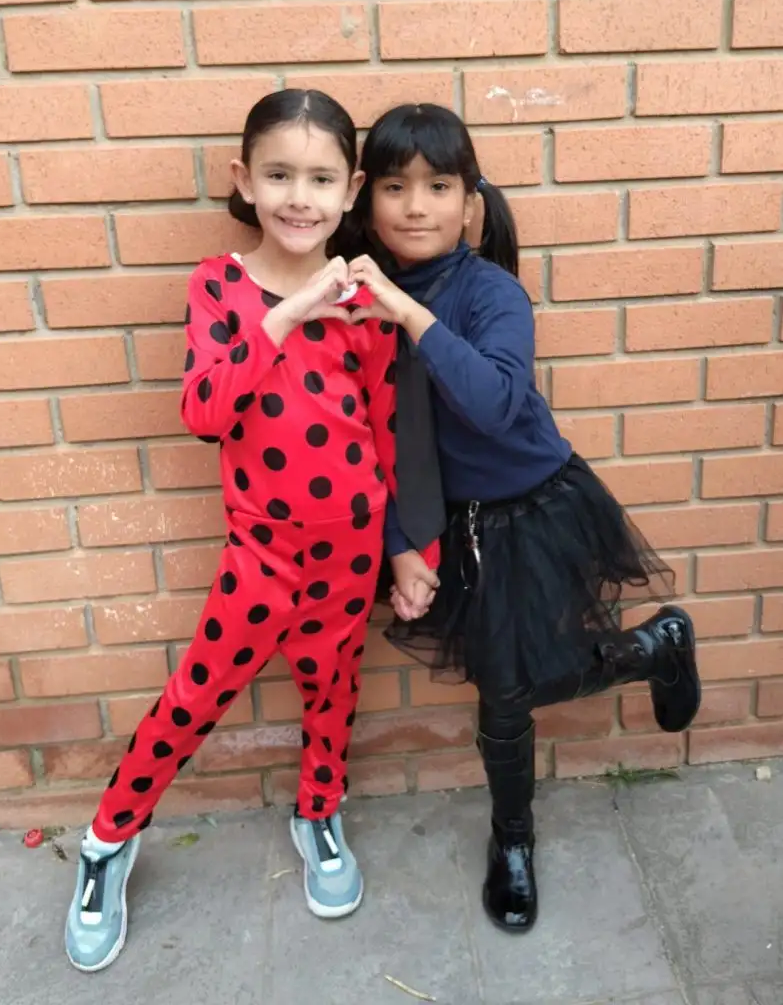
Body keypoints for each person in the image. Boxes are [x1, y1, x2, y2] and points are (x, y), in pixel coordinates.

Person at [64, 89, 435, 973]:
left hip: (350, 546)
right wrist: (289, 311)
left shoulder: (364, 299)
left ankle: (318, 812)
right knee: (195, 695)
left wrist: (406, 550)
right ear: (244, 180)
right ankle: (107, 840)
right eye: (278, 175)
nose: (299, 198)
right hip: (262, 555)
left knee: (331, 690)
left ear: (350, 190)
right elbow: (204, 410)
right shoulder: (218, 287)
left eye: (320, 179)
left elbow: (388, 433)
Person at [342, 103, 700, 935]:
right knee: (501, 695)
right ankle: (515, 836)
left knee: (515, 685)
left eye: (438, 186)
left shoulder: (490, 293)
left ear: (470, 202)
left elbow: (495, 404)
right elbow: (368, 440)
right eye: (394, 187)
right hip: (446, 522)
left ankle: (651, 650)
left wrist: (408, 314)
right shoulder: (355, 301)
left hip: (533, 510)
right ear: (366, 199)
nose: (415, 206)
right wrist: (400, 545)